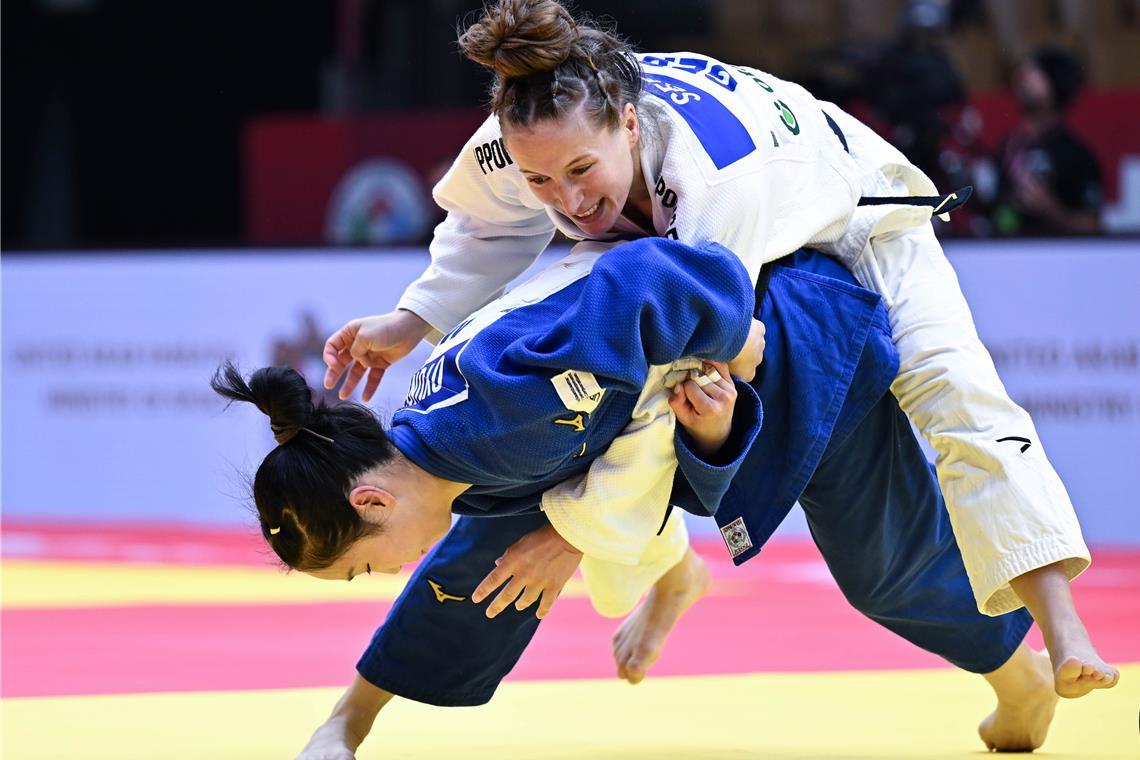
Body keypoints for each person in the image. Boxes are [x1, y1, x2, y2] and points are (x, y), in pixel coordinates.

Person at [322, 0, 1111, 701]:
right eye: (541, 180)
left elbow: (690, 366)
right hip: (725, 235)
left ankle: (1063, 626)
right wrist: (412, 319)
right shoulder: (524, 128)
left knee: (954, 392)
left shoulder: (715, 190)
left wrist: (572, 538)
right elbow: (482, 224)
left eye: (581, 171)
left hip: (858, 210)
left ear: (628, 123)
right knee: (557, 402)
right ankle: (665, 573)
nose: (566, 200)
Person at [221, 239, 1105, 758]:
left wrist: (739, 350)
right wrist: (349, 725)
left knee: (879, 567)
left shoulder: (503, 403)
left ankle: (1017, 675)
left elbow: (660, 280)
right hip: (702, 401)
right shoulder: (440, 446)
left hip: (794, 336)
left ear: (371, 503)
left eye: (361, 566)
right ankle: (667, 572)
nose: (385, 572)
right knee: (496, 563)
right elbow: (456, 572)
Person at [986, 45, 1103, 236]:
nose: (1022, 78)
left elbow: (1093, 225)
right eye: (1023, 72)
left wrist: (1050, 210)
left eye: (1035, 74)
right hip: (1006, 258)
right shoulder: (1007, 147)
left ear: (1056, 85)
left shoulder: (1076, 155)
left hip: (1057, 261)